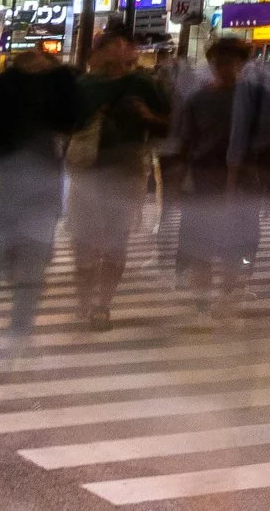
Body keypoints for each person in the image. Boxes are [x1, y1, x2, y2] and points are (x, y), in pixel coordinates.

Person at [0, 43, 81, 381]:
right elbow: (69, 126)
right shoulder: (59, 95)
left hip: (3, 192)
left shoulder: (5, 88)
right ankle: (14, 342)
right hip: (35, 193)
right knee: (26, 276)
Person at [71, 26, 171, 329]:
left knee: (116, 240)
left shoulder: (142, 83)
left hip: (126, 167)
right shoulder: (83, 85)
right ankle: (84, 300)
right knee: (84, 242)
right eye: (111, 44)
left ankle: (102, 305)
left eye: (124, 44)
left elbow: (168, 123)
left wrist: (148, 116)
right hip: (86, 168)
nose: (120, 49)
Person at [170, 35, 269, 322]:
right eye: (217, 61)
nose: (222, 67)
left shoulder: (256, 96)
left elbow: (262, 143)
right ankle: (203, 303)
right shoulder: (198, 99)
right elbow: (185, 143)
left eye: (230, 61)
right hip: (205, 180)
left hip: (242, 182)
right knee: (201, 245)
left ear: (242, 63)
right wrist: (178, 182)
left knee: (236, 247)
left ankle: (227, 298)